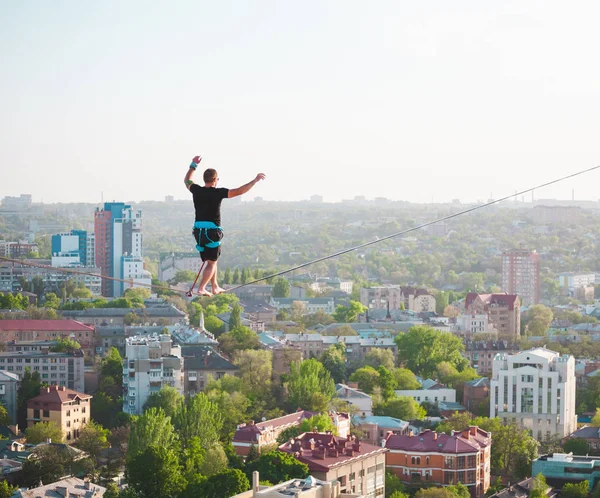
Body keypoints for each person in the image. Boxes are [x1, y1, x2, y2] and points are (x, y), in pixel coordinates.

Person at [184, 155, 266, 296]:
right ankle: (202, 287)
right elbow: (240, 191)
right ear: (215, 180)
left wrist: (193, 165)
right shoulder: (218, 193)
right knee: (212, 263)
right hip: (212, 232)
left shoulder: (196, 190)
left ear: (205, 180)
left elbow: (187, 180)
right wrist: (255, 180)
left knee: (212, 260)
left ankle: (215, 287)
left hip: (198, 232)